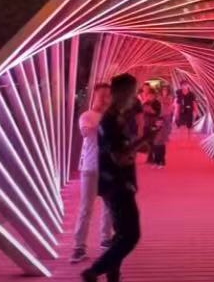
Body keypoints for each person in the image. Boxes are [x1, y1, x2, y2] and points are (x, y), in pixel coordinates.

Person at [82, 73, 142, 282]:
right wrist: (141, 142)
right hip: (118, 184)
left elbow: (119, 151)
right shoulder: (111, 121)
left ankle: (113, 274)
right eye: (132, 92)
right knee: (131, 235)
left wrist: (139, 142)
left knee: (121, 234)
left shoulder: (116, 119)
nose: (134, 97)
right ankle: (94, 271)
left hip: (115, 183)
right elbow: (119, 157)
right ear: (124, 93)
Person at [70, 83, 114, 264]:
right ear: (94, 96)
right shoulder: (87, 116)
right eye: (101, 95)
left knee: (110, 206)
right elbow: (87, 132)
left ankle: (106, 239)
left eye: (108, 95)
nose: (104, 99)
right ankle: (79, 246)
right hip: (91, 167)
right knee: (86, 208)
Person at [154, 85, 174, 167]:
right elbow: (158, 103)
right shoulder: (159, 97)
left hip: (167, 114)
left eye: (165, 90)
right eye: (163, 90)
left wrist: (163, 102)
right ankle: (157, 160)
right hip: (160, 114)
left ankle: (165, 137)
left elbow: (169, 104)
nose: (164, 91)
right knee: (159, 129)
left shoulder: (169, 97)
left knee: (166, 126)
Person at [142, 89, 162, 165]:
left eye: (151, 95)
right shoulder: (145, 103)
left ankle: (152, 157)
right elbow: (142, 113)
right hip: (146, 124)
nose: (150, 97)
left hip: (154, 124)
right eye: (149, 95)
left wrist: (150, 110)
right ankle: (150, 156)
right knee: (147, 141)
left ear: (154, 96)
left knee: (152, 140)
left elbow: (157, 113)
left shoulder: (157, 103)